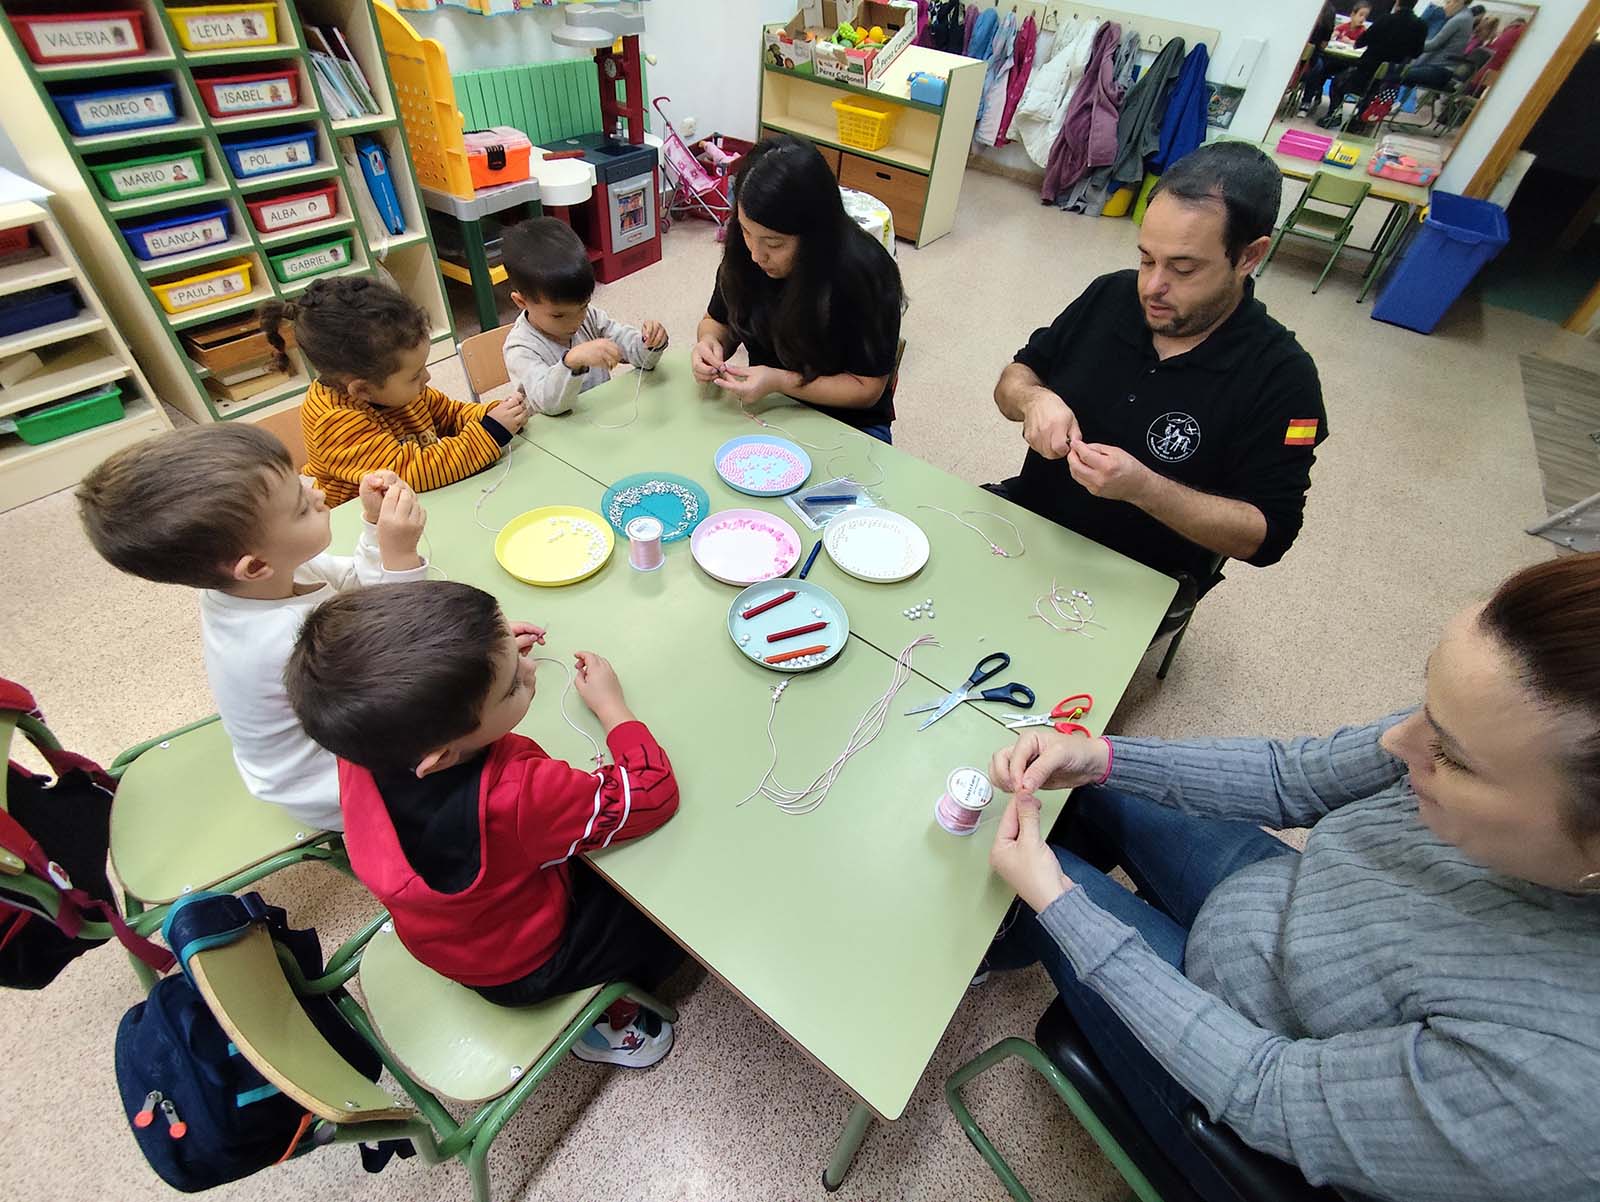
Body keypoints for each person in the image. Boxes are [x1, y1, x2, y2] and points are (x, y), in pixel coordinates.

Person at [983, 553, 1600, 1202]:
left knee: (1027, 881)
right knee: (1082, 788)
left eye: (1449, 756)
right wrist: (1102, 757)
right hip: (1284, 917)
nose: (1397, 744)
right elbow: (1293, 777)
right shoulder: (1488, 726)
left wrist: (1062, 906)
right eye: (1424, 704)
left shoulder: (1561, 1087)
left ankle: (1004, 934)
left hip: (1247, 1072)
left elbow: (1264, 1087)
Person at [285, 581, 683, 1066]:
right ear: (443, 754)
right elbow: (653, 791)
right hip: (524, 967)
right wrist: (611, 706)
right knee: (668, 916)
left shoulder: (365, 744)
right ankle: (605, 1017)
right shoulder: (518, 796)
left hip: (450, 937)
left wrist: (480, 664)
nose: (530, 668)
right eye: (512, 684)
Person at [987, 142, 1325, 633]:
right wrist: (1034, 399)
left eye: (1184, 269)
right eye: (1147, 259)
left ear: (1249, 256)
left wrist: (1145, 489)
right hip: (1031, 523)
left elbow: (1268, 537)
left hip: (1141, 578)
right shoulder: (1110, 295)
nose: (1153, 287)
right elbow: (1014, 379)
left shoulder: (1282, 378)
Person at [75, 426, 429, 831]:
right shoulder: (283, 637)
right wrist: (399, 557)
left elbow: (356, 589)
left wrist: (372, 523)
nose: (315, 488)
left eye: (298, 478)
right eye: (300, 508)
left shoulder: (264, 579)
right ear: (255, 565)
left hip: (332, 726)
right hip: (333, 785)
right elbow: (407, 658)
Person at [691, 135, 904, 444]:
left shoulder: (864, 272)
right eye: (747, 232)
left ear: (814, 235)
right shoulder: (744, 254)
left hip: (847, 422)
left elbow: (866, 388)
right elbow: (717, 321)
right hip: (770, 408)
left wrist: (780, 381)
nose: (756, 254)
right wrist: (710, 344)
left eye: (775, 244)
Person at [263, 275, 528, 507]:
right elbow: (412, 472)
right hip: (368, 526)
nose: (427, 377)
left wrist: (493, 414)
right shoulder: (333, 421)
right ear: (362, 390)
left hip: (420, 504)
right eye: (415, 375)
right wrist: (490, 433)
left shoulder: (399, 390)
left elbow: (449, 414)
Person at [500, 216, 669, 417]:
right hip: (555, 439)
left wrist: (649, 343)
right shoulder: (520, 347)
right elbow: (548, 403)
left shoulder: (589, 317)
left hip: (602, 419)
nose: (575, 321)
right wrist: (571, 362)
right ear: (521, 302)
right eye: (559, 315)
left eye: (583, 306)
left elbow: (638, 357)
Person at [1318, 0, 1427, 126]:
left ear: (1397, 3)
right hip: (1389, 82)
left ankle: (1335, 114)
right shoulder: (1421, 26)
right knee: (1373, 88)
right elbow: (1416, 53)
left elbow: (1360, 42)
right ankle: (1360, 119)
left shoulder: (1385, 20)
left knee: (1337, 82)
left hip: (1364, 76)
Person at [1298, 1, 1372, 118]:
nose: (1362, 19)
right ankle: (1314, 93)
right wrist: (1335, 34)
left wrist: (1350, 41)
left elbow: (1361, 43)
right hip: (1331, 58)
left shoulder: (1362, 30)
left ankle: (1327, 103)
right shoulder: (1345, 26)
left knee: (1325, 69)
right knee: (1321, 68)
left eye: (1365, 16)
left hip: (1347, 62)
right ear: (1352, 14)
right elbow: (1334, 32)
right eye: (1360, 15)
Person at [1398, 0, 1475, 89]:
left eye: (1448, 2)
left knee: (1398, 74)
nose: (1444, 7)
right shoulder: (1467, 16)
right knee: (1403, 72)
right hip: (1442, 68)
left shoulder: (1459, 19)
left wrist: (1408, 44)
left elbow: (1434, 44)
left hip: (1439, 69)